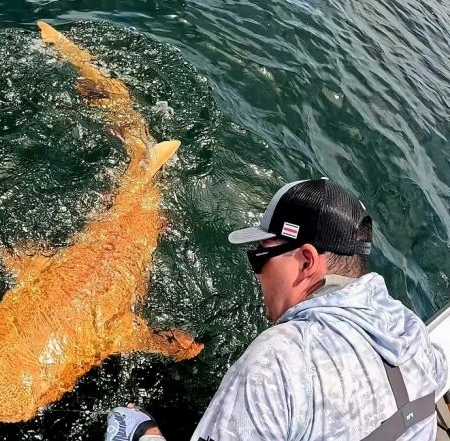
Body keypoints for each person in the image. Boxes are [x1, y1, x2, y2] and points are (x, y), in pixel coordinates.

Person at [105, 178, 448, 441]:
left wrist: (141, 432)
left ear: (307, 261)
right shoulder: (408, 330)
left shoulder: (279, 360)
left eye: (261, 256)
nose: (257, 273)